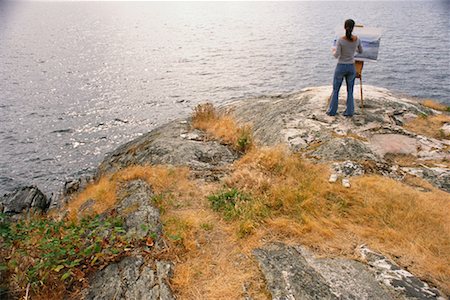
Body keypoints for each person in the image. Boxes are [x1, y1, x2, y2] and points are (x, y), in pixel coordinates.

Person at [327, 19, 363, 117]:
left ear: (344, 27)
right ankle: (349, 112)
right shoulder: (357, 39)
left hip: (341, 66)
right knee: (350, 90)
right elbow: (361, 51)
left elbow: (336, 55)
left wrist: (333, 50)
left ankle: (332, 111)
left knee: (336, 89)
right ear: (353, 27)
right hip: (351, 67)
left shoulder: (340, 40)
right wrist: (353, 50)